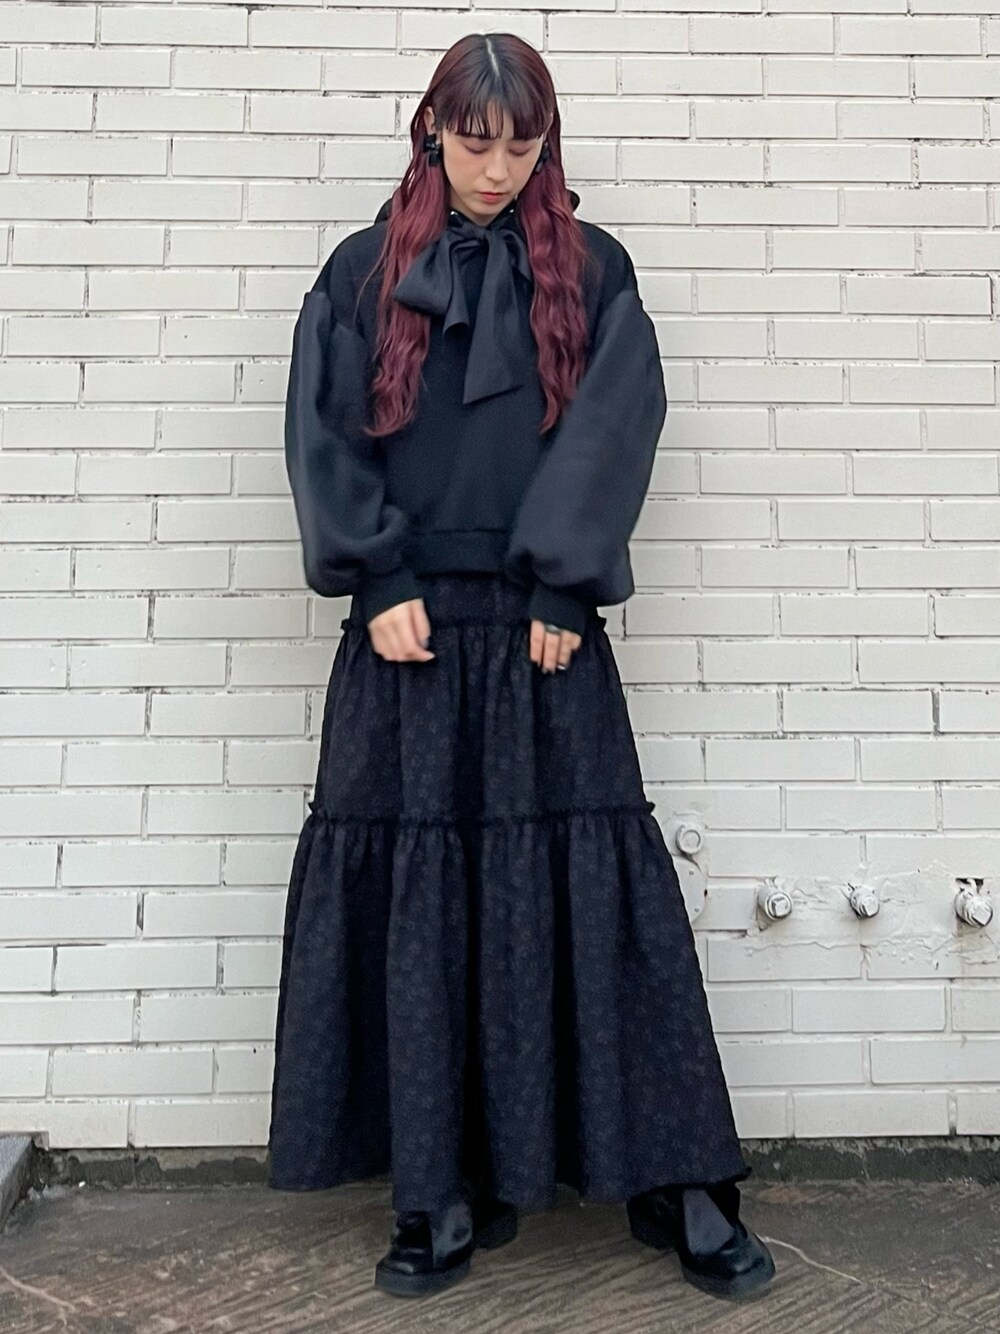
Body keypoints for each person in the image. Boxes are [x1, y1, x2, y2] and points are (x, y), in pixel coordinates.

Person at [268, 30, 776, 1305]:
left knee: (597, 894)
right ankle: (438, 1182)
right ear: (431, 132)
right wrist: (374, 578)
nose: (495, 169)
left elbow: (617, 421)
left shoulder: (592, 269)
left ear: (546, 143)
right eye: (473, 141)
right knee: (425, 907)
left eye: (520, 144)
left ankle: (672, 1173)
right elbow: (323, 431)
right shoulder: (362, 271)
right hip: (409, 632)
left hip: (544, 632)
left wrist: (563, 577)